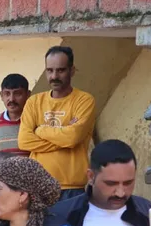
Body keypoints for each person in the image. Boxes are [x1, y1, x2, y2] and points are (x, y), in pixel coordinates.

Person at [18, 46, 96, 199]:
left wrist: (40, 130)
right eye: (49, 70)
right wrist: (65, 136)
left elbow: (72, 137)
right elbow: (24, 141)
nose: (54, 76)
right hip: (39, 185)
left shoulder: (84, 100)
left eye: (61, 70)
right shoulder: (34, 102)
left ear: (72, 70)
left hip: (72, 189)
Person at [0, 74, 30, 155]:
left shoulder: (35, 122)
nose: (12, 99)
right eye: (7, 94)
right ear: (1, 96)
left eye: (17, 93)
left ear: (28, 94)